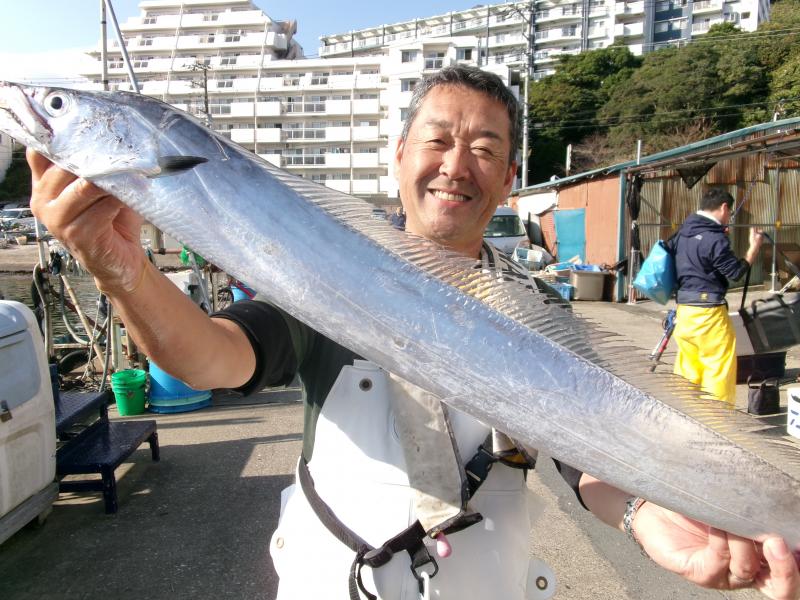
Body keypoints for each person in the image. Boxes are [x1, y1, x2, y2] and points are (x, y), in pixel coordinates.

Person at [28, 66, 798, 599]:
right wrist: (120, 268)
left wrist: (648, 515)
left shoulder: (540, 312)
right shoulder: (323, 277)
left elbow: (585, 454)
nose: (456, 164)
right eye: (436, 139)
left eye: (486, 149)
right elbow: (209, 358)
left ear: (507, 179)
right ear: (399, 156)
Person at [669, 188, 764, 406]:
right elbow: (735, 272)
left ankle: (685, 413)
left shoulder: (683, 233)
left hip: (684, 312)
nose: (729, 217)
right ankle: (717, 420)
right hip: (709, 314)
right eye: (730, 212)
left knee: (688, 367)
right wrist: (753, 248)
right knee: (717, 367)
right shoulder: (714, 238)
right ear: (723, 208)